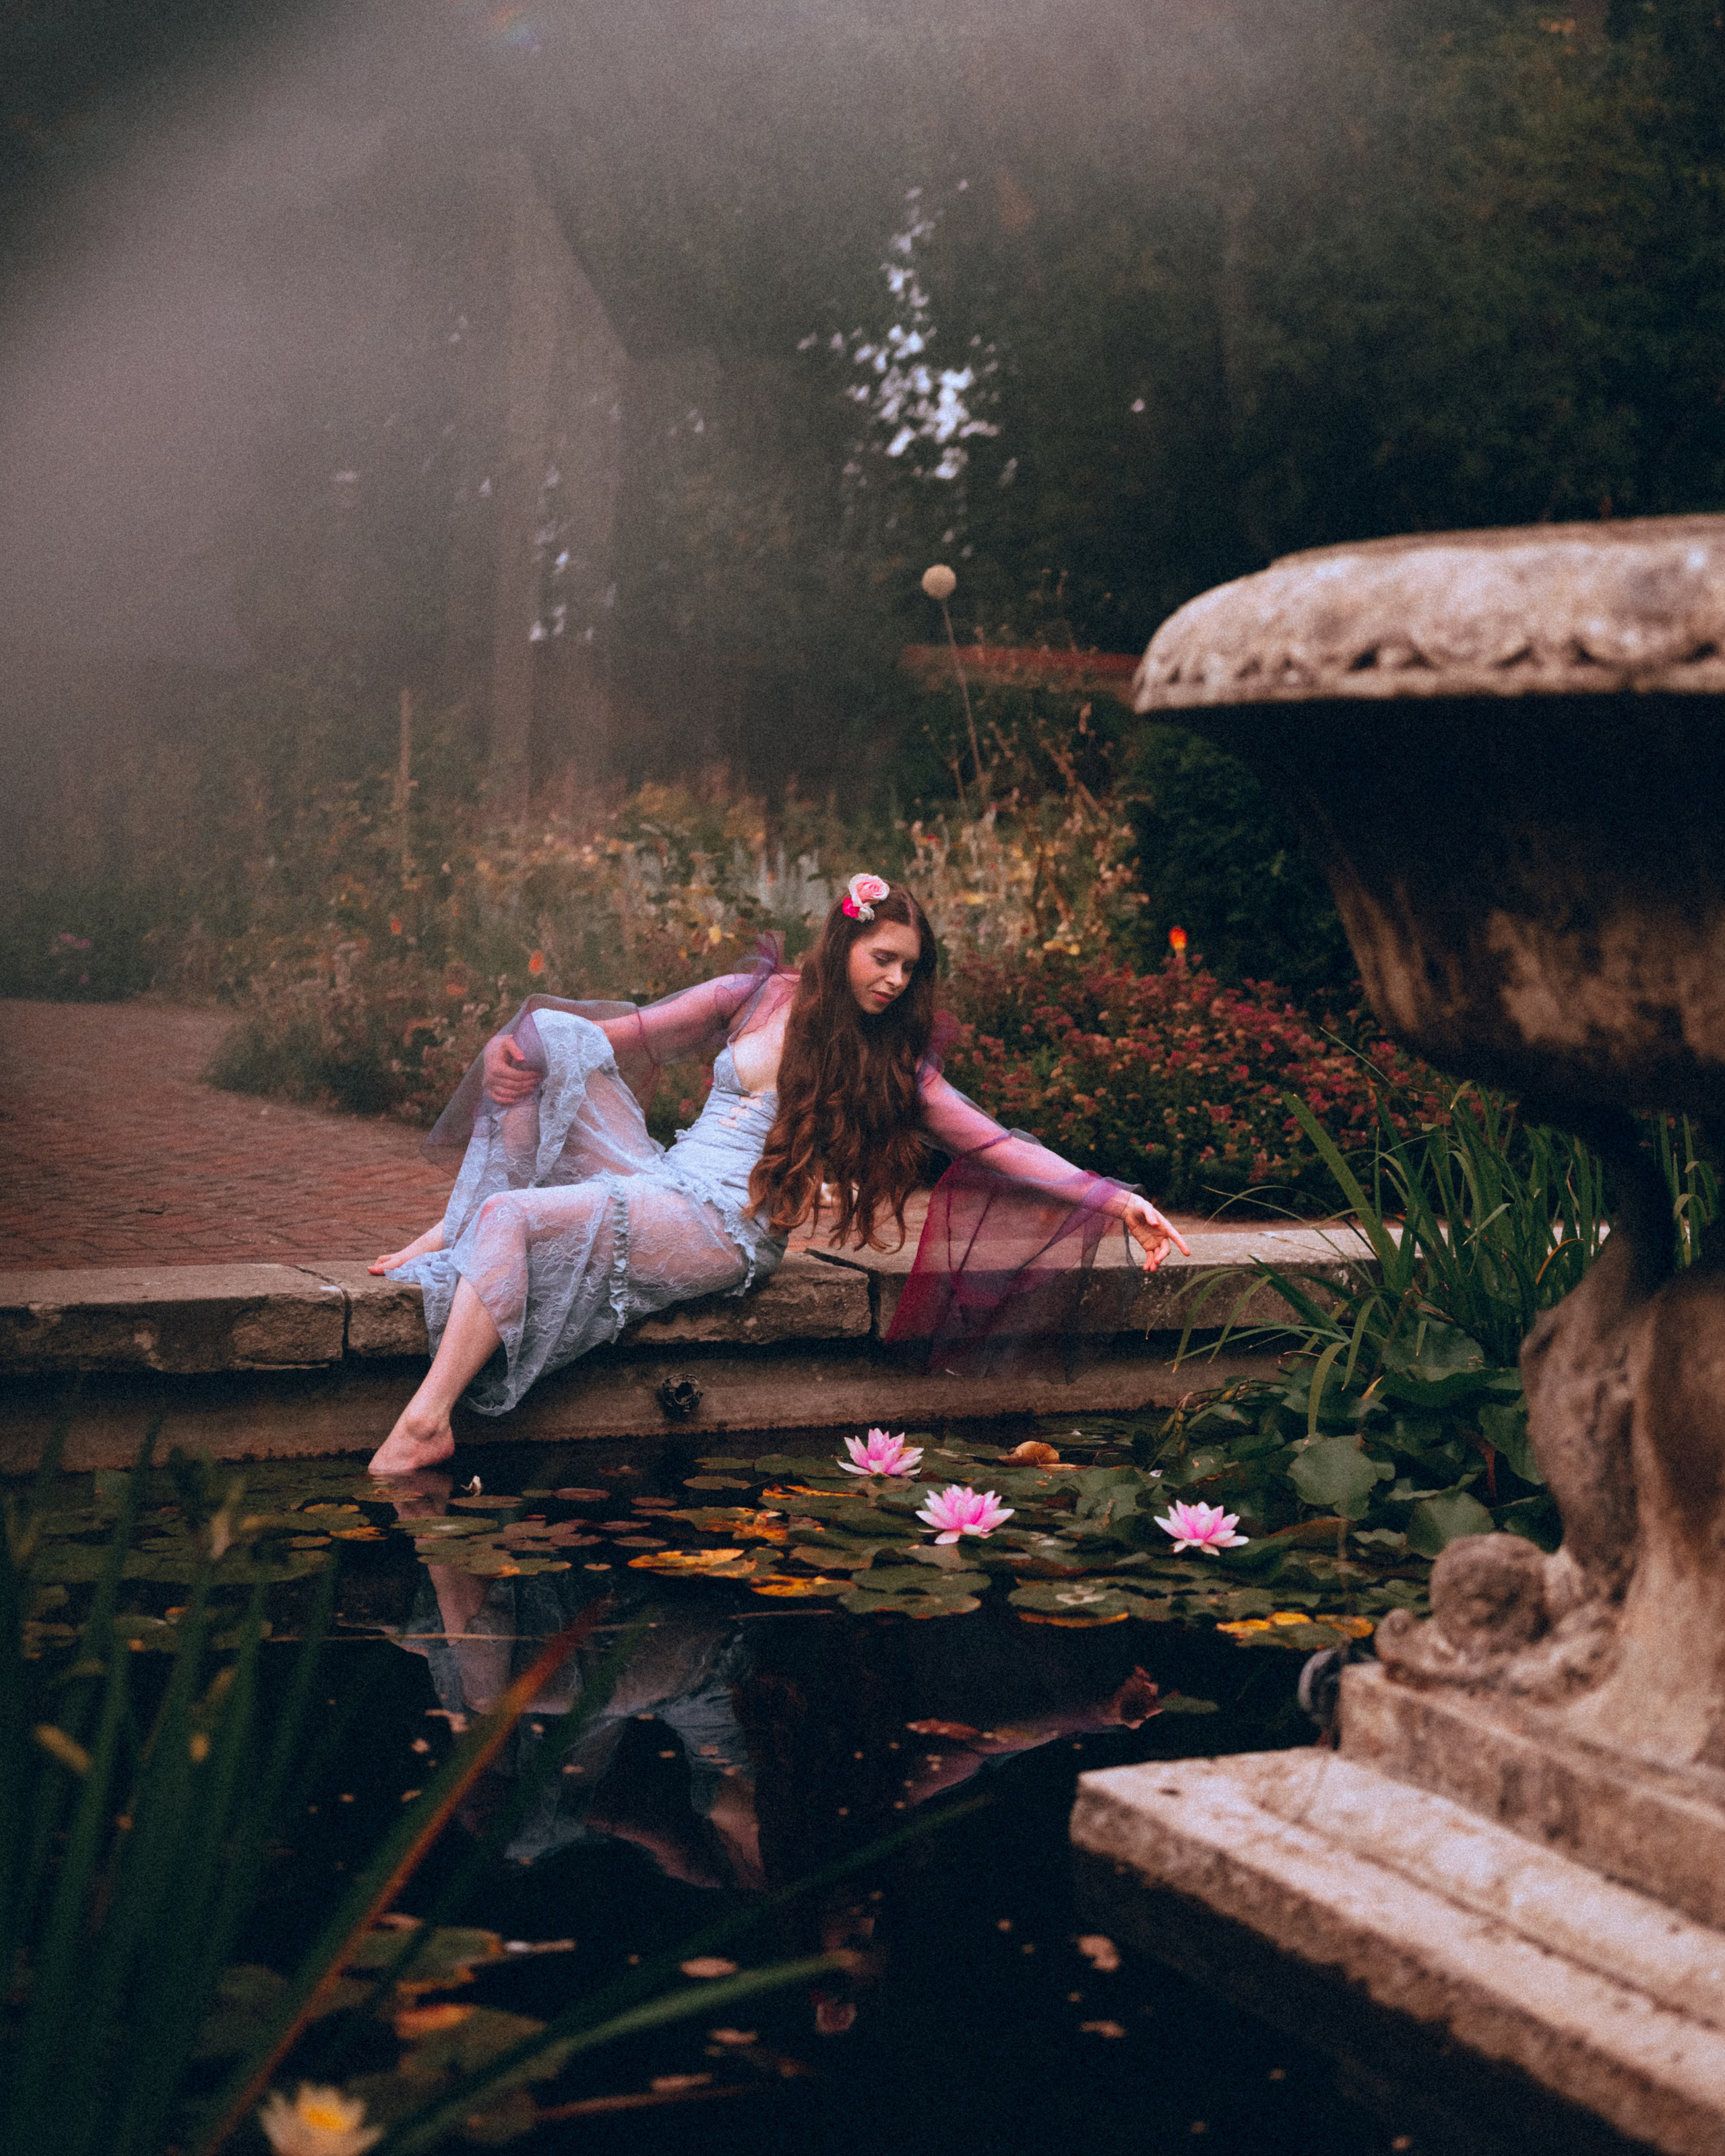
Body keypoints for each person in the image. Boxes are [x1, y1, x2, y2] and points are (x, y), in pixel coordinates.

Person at [367, 874, 1189, 1473]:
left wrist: (1117, 1199)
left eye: (910, 967)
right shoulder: (754, 994)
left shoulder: (893, 1062)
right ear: (845, 944)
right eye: (884, 958)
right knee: (549, 1033)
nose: (896, 980)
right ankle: (462, 1220)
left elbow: (999, 1145)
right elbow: (617, 1036)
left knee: (513, 1215)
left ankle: (428, 1421)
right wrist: (506, 1055)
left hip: (726, 1226)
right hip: (668, 1174)